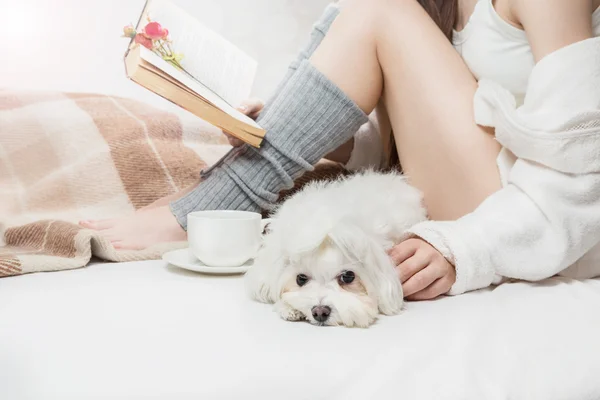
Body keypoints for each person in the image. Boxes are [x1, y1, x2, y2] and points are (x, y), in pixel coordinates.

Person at [81, 0, 600, 301]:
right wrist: (321, 132)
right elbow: (437, 119)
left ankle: (204, 208)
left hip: (537, 219)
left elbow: (582, 164)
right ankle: (228, 187)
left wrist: (467, 247)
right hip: (486, 187)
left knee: (381, 9)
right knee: (363, 8)